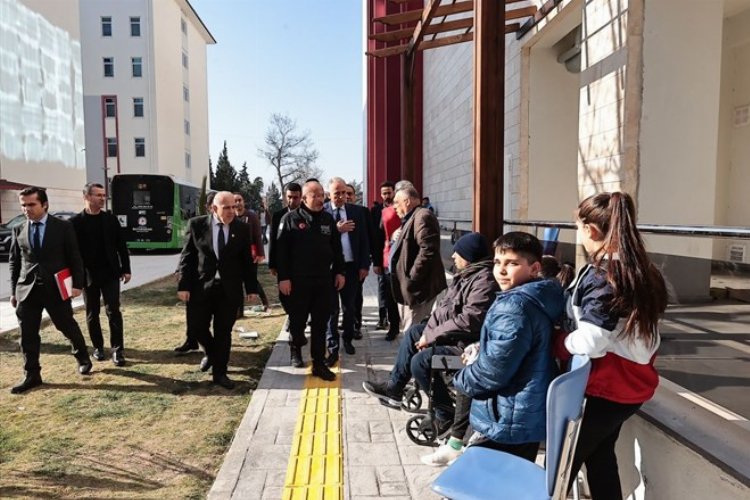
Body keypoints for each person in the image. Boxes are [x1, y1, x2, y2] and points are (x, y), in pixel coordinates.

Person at [555, 192, 667, 500]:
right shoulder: (643, 269)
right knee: (600, 458)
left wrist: (564, 342)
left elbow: (592, 340)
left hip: (604, 389)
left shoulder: (603, 274)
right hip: (631, 388)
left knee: (561, 468)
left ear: (590, 230)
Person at [363, 233, 498, 453]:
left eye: (459, 252)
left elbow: (469, 320)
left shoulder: (484, 281)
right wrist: (428, 332)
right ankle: (394, 389)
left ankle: (445, 416)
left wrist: (433, 336)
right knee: (416, 332)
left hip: (468, 345)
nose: (453, 255)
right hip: (455, 335)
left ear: (469, 256)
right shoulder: (467, 275)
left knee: (421, 362)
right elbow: (445, 308)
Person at [453, 232, 564, 462]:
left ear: (534, 268)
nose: (501, 270)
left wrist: (461, 378)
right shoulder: (536, 297)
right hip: (523, 414)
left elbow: (494, 372)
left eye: (512, 263)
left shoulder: (513, 307)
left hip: (505, 418)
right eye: (497, 262)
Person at [9, 187, 93, 393]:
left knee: (66, 325)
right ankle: (32, 374)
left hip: (55, 288)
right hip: (27, 290)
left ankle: (82, 356)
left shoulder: (62, 227)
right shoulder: (19, 228)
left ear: (44, 204)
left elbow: (75, 257)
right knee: (27, 333)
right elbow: (15, 262)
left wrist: (77, 285)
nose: (26, 209)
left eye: (31, 204)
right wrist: (14, 291)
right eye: (23, 205)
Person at [177, 191, 258, 390]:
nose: (232, 211)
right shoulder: (197, 225)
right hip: (201, 287)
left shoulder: (241, 228)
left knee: (223, 332)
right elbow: (187, 258)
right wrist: (183, 285)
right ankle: (213, 355)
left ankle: (220, 373)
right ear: (214, 209)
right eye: (227, 208)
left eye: (234, 207)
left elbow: (247, 262)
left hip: (229, 290)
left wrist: (251, 287)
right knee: (196, 328)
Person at [276, 180, 344, 381]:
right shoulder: (290, 219)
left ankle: (318, 363)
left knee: (320, 324)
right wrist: (284, 278)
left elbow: (337, 249)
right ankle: (295, 345)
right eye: (316, 195)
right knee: (297, 322)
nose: (321, 199)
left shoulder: (327, 220)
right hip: (297, 282)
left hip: (323, 281)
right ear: (304, 198)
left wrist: (340, 272)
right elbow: (281, 253)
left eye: (322, 194)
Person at [70, 183, 132, 367]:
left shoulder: (110, 220)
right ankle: (98, 347)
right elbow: (72, 253)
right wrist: (76, 278)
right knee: (92, 313)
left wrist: (126, 269)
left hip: (111, 273)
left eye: (104, 195)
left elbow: (122, 246)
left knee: (113, 311)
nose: (102, 198)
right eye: (98, 195)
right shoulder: (75, 223)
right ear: (87, 197)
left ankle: (117, 350)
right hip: (88, 276)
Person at [323, 177, 371, 365]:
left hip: (351, 267)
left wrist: (364, 265)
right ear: (329, 194)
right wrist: (336, 230)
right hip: (330, 269)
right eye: (337, 193)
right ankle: (332, 346)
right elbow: (318, 238)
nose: (342, 196)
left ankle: (348, 340)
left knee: (349, 307)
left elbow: (364, 240)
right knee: (331, 310)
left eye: (344, 193)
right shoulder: (323, 212)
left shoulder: (357, 212)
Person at [390, 184, 446, 334]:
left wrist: (412, 278)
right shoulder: (411, 218)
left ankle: (412, 357)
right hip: (409, 288)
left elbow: (428, 250)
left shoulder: (423, 216)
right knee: (410, 330)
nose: (393, 206)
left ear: (407, 201)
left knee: (413, 332)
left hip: (418, 290)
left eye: (396, 202)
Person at [174, 191, 215, 354]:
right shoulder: (197, 225)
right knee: (194, 316)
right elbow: (187, 253)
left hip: (214, 281)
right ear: (209, 207)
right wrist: (181, 275)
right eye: (212, 206)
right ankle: (192, 341)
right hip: (195, 278)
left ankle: (211, 351)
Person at [371, 181, 400, 336]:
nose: (387, 196)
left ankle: (399, 322)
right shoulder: (377, 211)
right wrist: (376, 262)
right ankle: (386, 320)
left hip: (401, 258)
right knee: (385, 291)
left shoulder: (401, 209)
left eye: (389, 192)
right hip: (385, 257)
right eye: (384, 193)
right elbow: (376, 239)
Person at [233, 192, 268, 311]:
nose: (238, 203)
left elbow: (258, 236)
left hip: (251, 253)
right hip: (235, 255)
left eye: (240, 200)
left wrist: (260, 253)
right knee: (236, 280)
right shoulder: (231, 216)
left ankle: (265, 302)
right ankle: (239, 310)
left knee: (251, 279)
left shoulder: (251, 216)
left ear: (243, 202)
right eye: (235, 201)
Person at [268, 182, 302, 277]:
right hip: (283, 263)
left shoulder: (307, 215)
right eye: (289, 197)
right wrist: (272, 264)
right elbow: (273, 239)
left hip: (303, 264)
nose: (292, 200)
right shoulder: (278, 216)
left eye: (295, 197)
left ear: (301, 197)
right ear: (285, 196)